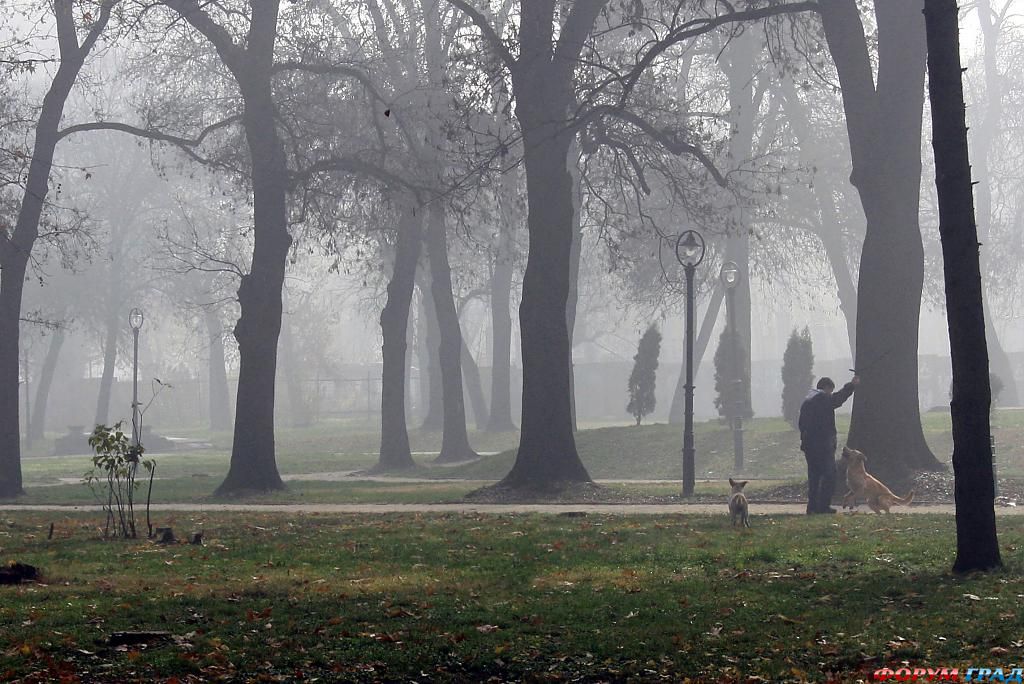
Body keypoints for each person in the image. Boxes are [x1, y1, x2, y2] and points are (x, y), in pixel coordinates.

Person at [798, 375, 858, 514]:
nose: (830, 394)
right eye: (830, 391)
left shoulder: (807, 401)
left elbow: (802, 424)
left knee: (814, 476)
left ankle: (812, 506)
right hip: (822, 445)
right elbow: (837, 399)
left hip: (809, 446)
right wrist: (851, 385)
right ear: (827, 388)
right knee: (829, 475)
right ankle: (823, 506)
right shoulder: (822, 398)